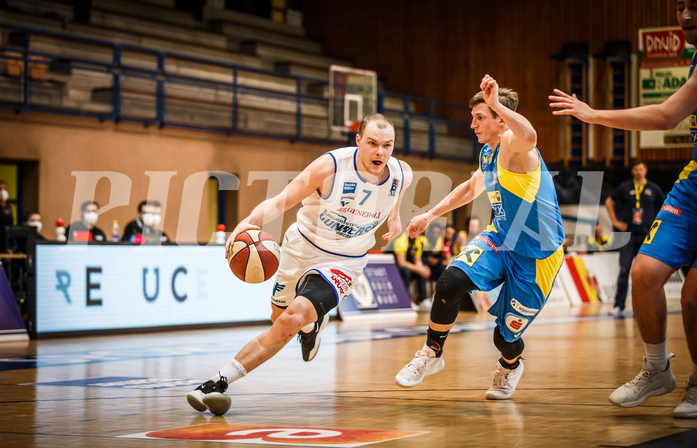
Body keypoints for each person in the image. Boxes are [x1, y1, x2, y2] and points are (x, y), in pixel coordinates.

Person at [186, 113, 413, 416]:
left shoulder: (401, 173)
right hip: (301, 248)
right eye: (372, 143)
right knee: (278, 317)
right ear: (358, 141)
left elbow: (394, 193)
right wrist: (247, 223)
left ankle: (218, 381)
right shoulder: (328, 167)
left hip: (345, 262)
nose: (380, 152)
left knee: (290, 319)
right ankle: (313, 324)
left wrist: (395, 215)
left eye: (387, 145)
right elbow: (281, 201)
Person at [548, 0, 697, 418]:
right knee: (645, 272)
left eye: (695, 7)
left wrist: (594, 115)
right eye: (680, 7)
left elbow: (667, 115)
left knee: (692, 298)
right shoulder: (694, 58)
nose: (686, 15)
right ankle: (656, 370)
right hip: (693, 181)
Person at [394, 75, 565, 401]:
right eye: (472, 117)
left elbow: (530, 135)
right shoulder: (487, 153)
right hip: (501, 239)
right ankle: (431, 353)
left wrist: (497, 102)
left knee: (505, 339)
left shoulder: (516, 148)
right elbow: (471, 188)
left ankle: (510, 366)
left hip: (536, 254)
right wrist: (430, 215)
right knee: (449, 282)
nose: (471, 124)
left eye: (479, 117)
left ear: (501, 120)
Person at [605, 161, 664, 315]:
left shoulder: (653, 189)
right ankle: (619, 305)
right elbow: (609, 201)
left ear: (646, 171)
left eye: (641, 169)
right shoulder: (625, 188)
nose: (638, 172)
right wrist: (616, 222)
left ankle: (648, 306)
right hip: (628, 236)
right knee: (624, 270)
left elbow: (665, 207)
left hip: (646, 236)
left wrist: (658, 225)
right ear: (632, 171)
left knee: (647, 273)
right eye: (636, 169)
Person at [392, 231, 431, 308]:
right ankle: (406, 300)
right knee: (406, 272)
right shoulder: (400, 241)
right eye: (414, 234)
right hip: (394, 268)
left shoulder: (417, 242)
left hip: (407, 266)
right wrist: (418, 268)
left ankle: (422, 300)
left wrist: (423, 269)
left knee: (421, 273)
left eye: (418, 234)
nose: (417, 236)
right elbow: (401, 263)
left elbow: (418, 261)